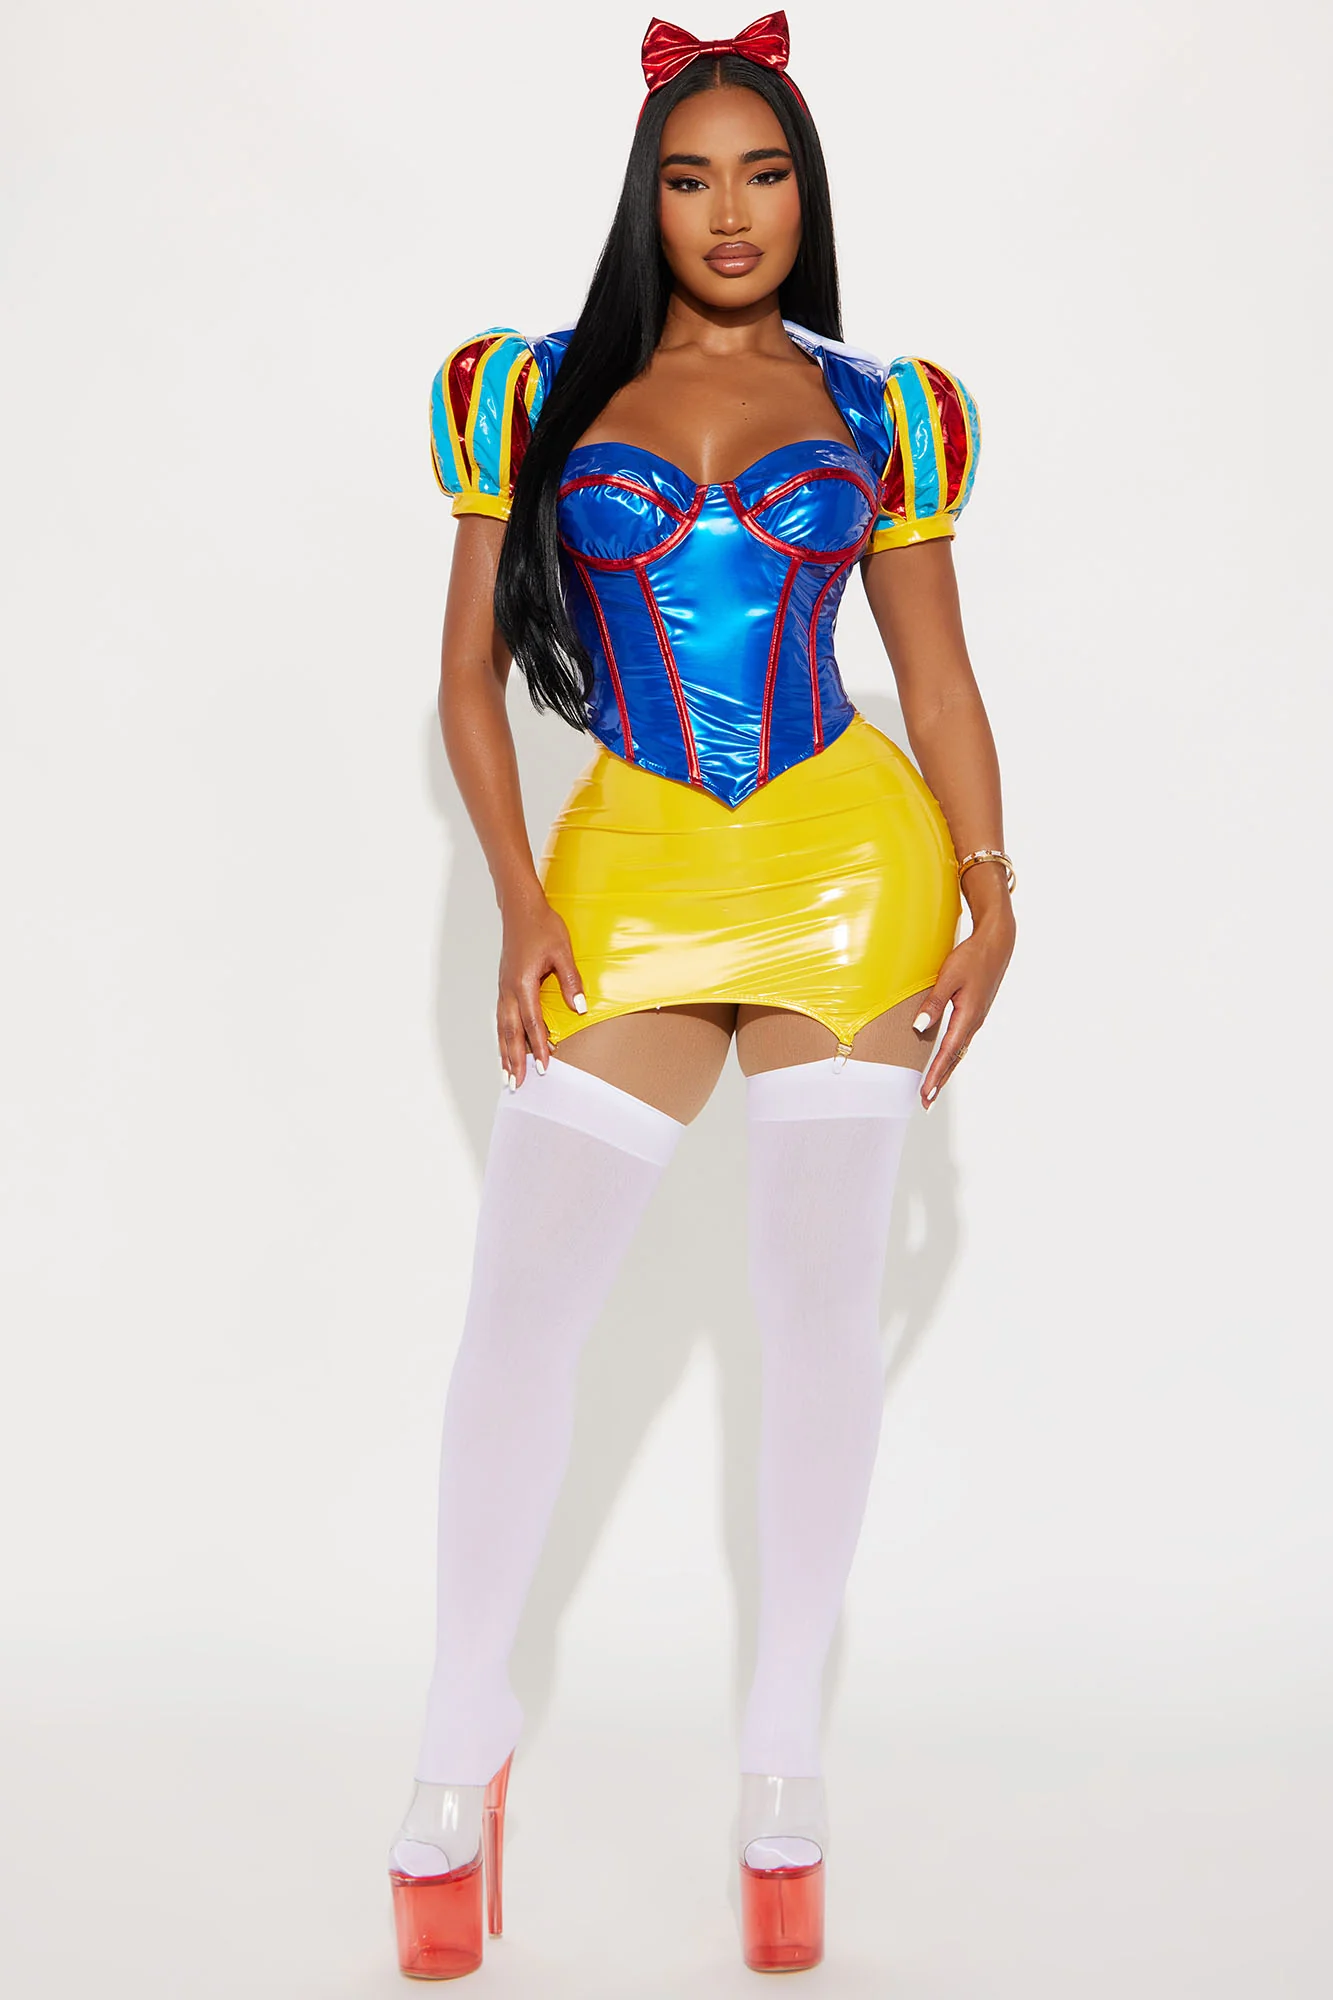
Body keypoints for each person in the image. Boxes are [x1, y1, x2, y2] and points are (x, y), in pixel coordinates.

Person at [388, 10, 1017, 1978]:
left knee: (814, 1315)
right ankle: (460, 1737)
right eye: (689, 177)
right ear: (643, 198)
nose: (730, 212)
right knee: (524, 1311)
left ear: (806, 196)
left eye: (764, 174)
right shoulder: (527, 391)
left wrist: (991, 887)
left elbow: (937, 677)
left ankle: (780, 1764)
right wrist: (515, 899)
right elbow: (465, 678)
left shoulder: (887, 408)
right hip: (631, 868)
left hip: (850, 871)